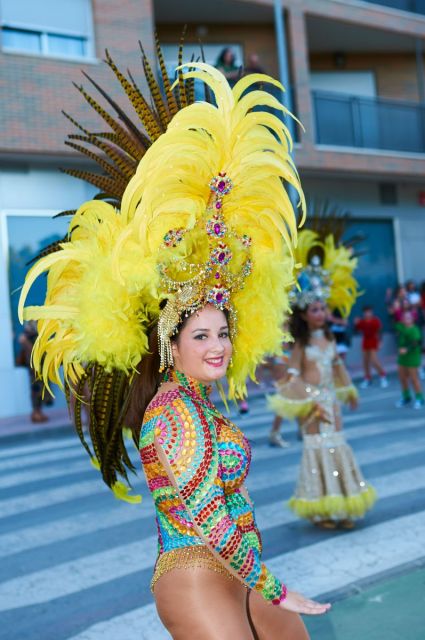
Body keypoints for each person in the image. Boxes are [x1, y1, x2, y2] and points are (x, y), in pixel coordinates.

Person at [19, 51, 329, 639]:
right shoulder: (169, 414)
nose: (218, 347)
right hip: (195, 575)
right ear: (170, 343)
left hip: (240, 570)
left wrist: (262, 581)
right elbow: (209, 514)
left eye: (223, 333)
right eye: (201, 335)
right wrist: (276, 588)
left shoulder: (203, 404)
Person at [268, 230, 376, 529]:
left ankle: (341, 502)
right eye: (315, 309)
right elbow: (291, 375)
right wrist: (307, 403)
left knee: (337, 447)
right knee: (318, 449)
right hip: (313, 403)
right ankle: (322, 508)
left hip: (331, 400)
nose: (321, 313)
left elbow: (338, 367)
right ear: (303, 315)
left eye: (323, 308)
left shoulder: (328, 339)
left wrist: (349, 391)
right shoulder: (301, 346)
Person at [16, 321, 49, 423]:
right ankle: (36, 414)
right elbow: (32, 353)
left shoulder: (33, 336)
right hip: (34, 369)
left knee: (39, 390)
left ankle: (38, 413)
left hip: (38, 368)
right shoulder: (26, 337)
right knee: (36, 391)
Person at [395, 310, 424, 409]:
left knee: (414, 379)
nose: (406, 319)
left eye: (408, 317)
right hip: (402, 358)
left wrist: (407, 349)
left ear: (412, 319)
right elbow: (396, 323)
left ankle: (420, 398)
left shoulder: (415, 329)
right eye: (404, 317)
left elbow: (416, 343)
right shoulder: (402, 327)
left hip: (412, 357)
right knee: (402, 378)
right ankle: (406, 397)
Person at [354, 306, 388, 389]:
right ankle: (367, 379)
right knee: (365, 362)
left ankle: (383, 377)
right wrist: (355, 323)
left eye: (369, 311)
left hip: (373, 341)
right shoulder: (361, 322)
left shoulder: (375, 321)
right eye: (366, 312)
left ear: (372, 312)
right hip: (365, 342)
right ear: (363, 313)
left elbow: (380, 331)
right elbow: (356, 330)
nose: (367, 313)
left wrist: (380, 341)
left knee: (374, 360)